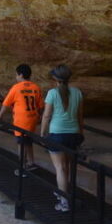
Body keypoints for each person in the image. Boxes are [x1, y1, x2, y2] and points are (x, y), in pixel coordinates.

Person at [40, 64, 84, 212]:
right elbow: (80, 117)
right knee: (69, 167)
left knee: (60, 168)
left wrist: (42, 132)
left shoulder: (52, 93)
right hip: (74, 134)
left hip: (57, 134)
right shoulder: (77, 92)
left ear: (55, 78)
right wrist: (80, 134)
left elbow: (46, 115)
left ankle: (64, 201)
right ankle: (66, 192)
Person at [0, 64, 43, 176]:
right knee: (28, 141)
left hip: (21, 121)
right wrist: (39, 116)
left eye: (16, 74)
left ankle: (22, 168)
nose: (16, 77)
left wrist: (0, 116)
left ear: (21, 75)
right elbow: (41, 106)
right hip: (32, 119)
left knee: (21, 144)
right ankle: (32, 163)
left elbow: (6, 104)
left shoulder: (16, 88)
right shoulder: (36, 87)